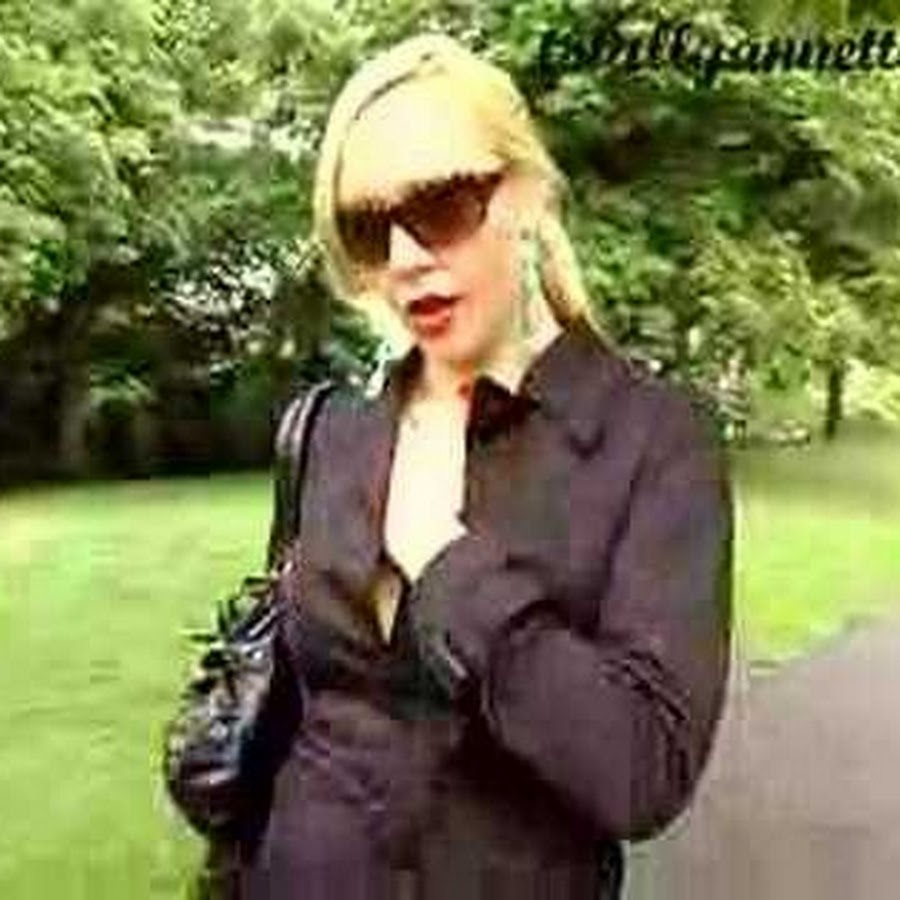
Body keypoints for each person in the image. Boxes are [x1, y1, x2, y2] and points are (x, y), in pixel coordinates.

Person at [233, 32, 733, 900]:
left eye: (440, 205)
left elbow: (643, 768)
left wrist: (444, 563)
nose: (405, 259)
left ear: (528, 195)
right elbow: (291, 713)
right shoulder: (333, 432)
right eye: (369, 228)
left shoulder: (656, 441)